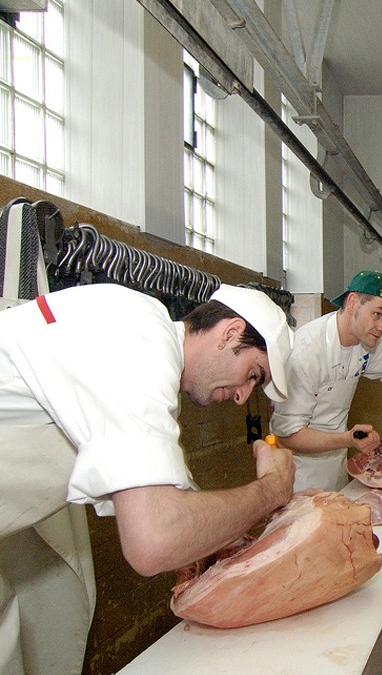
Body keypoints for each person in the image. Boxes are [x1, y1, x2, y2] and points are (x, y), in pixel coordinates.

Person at [0, 282, 296, 675]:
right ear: (229, 333)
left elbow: (164, 493)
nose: (243, 396)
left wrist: (213, 541)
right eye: (253, 374)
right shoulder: (140, 339)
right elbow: (153, 541)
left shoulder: (144, 340)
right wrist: (271, 491)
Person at [270, 270, 382, 491]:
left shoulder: (368, 341)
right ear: (353, 302)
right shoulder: (305, 353)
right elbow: (288, 435)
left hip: (336, 468)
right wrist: (347, 439)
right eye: (377, 314)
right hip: (298, 475)